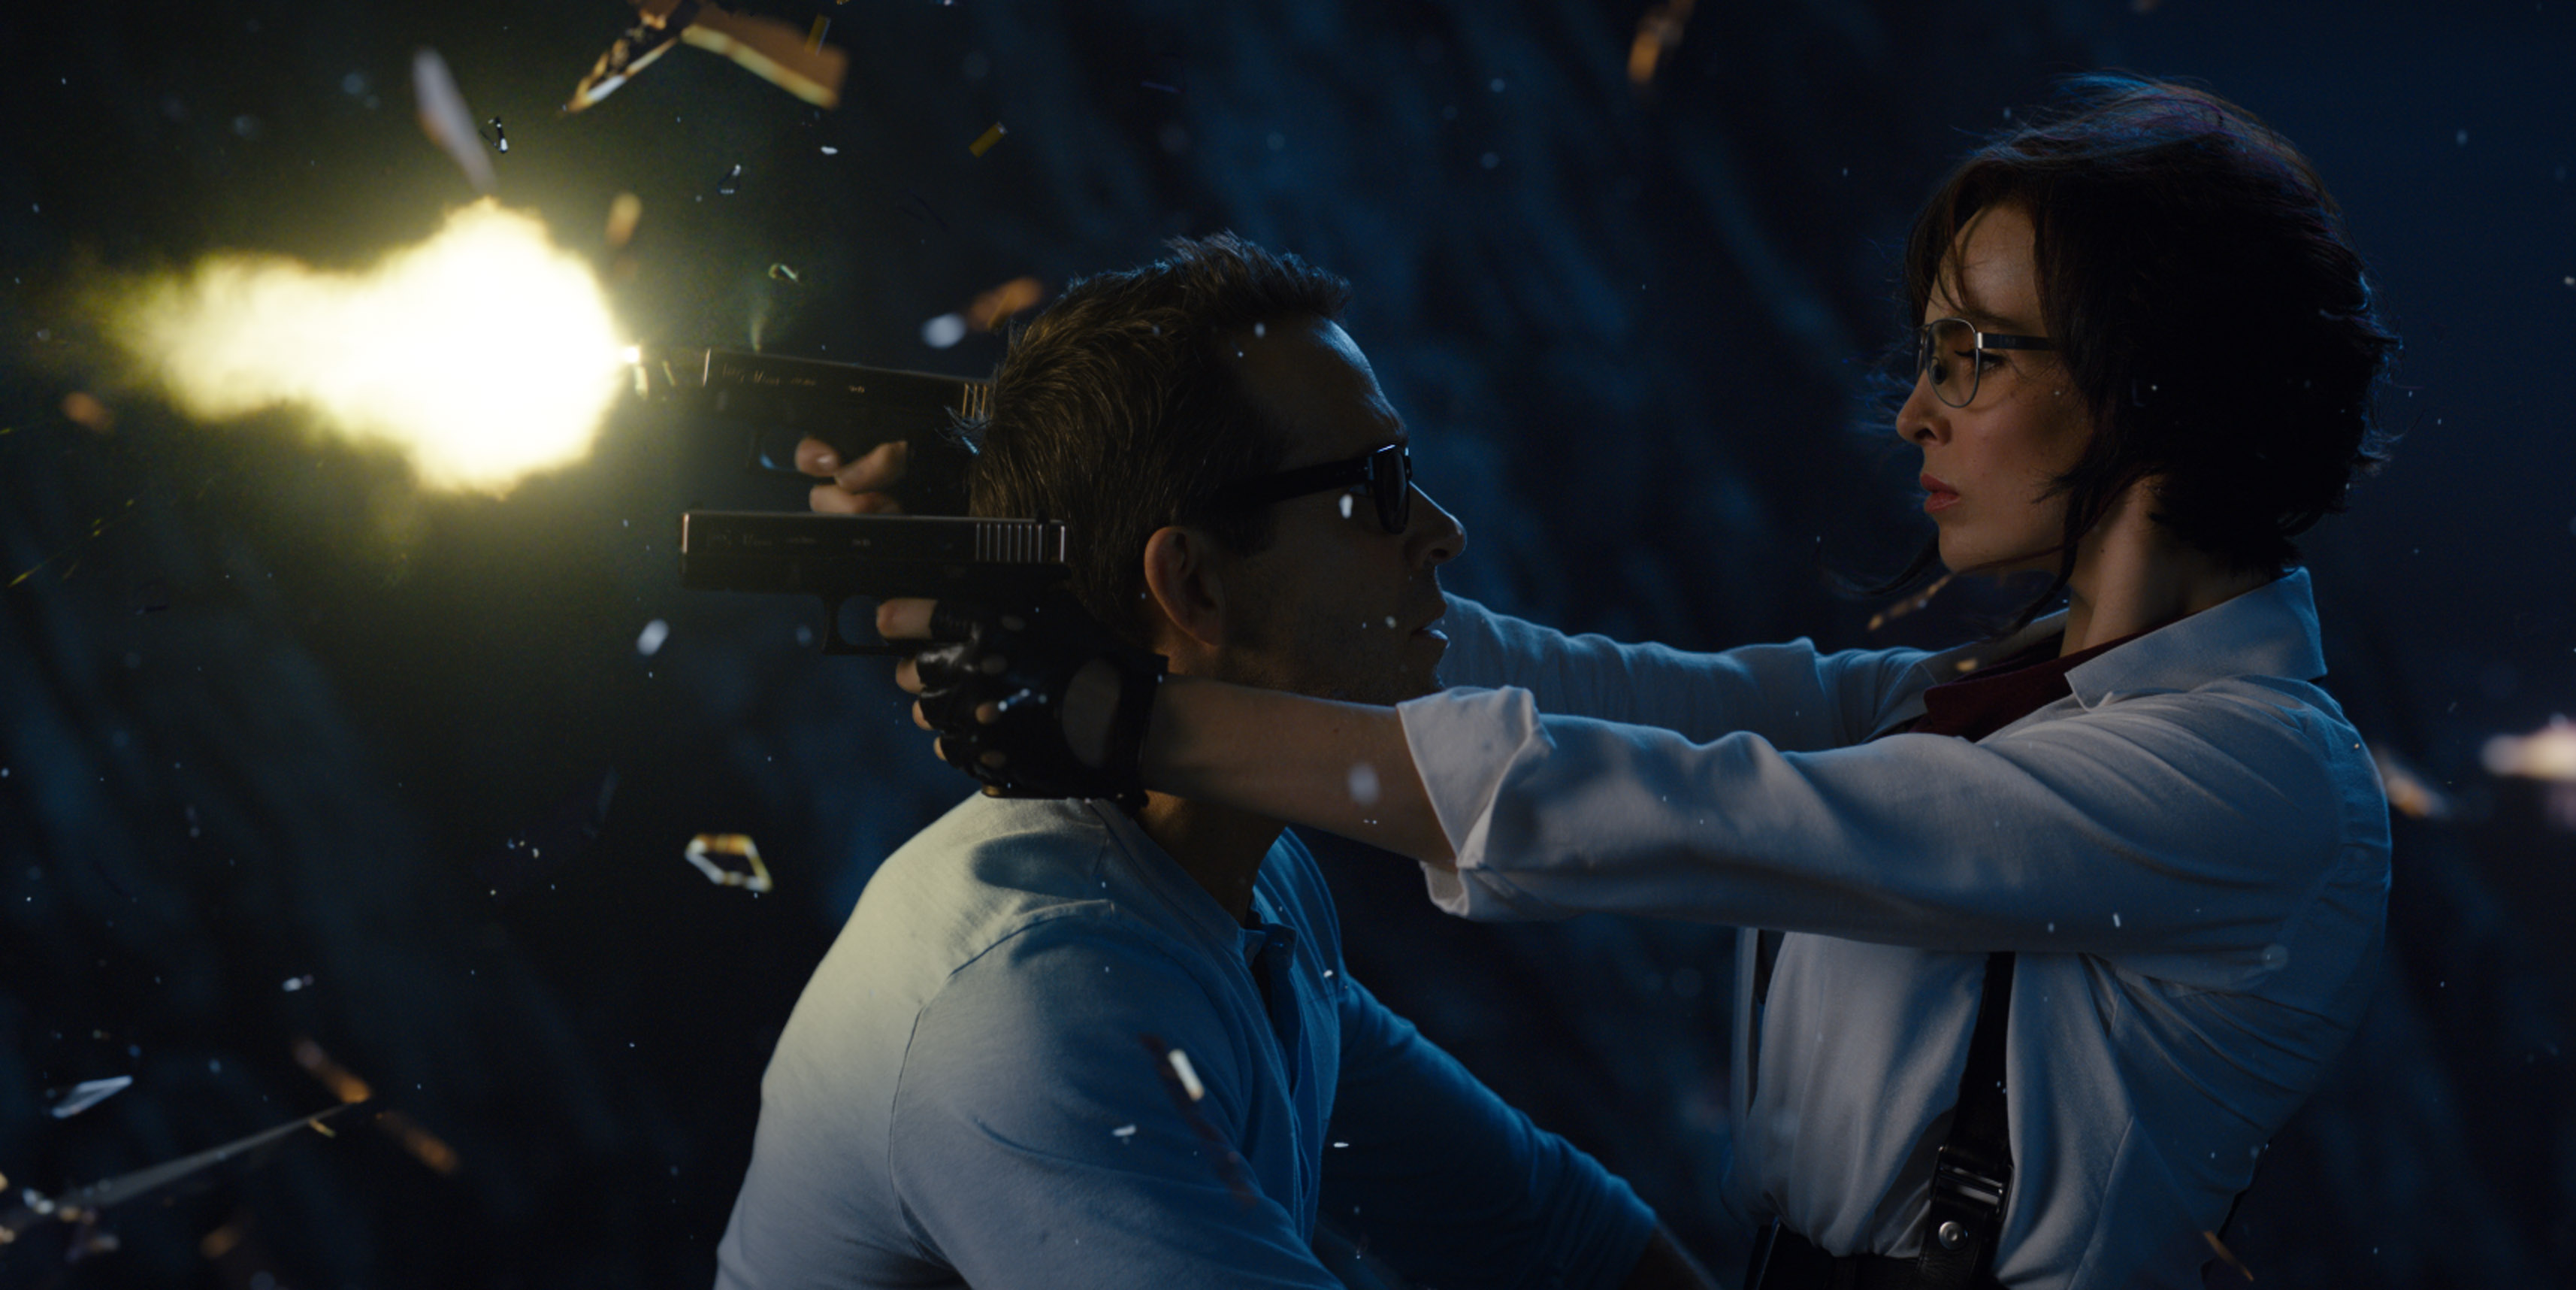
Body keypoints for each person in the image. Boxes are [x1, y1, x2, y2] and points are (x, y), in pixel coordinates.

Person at [848, 75, 2397, 1289]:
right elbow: (1598, 698)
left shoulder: (2252, 778)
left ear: (2151, 386)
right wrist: (1057, 534)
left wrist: (1120, 714)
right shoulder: (1976, 703)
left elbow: (1649, 803)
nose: (1916, 412)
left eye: (1974, 355)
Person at [720, 235, 1723, 1290]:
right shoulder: (1034, 1008)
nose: (1444, 531)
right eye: (1379, 485)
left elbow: (1546, 1233)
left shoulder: (1249, 885)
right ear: (1194, 586)